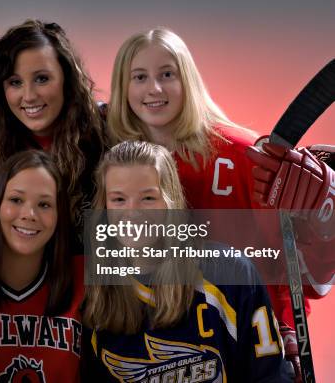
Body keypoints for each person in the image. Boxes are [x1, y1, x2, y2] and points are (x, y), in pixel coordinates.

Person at [105, 27, 316, 377]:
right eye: (139, 77)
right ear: (122, 87)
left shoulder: (244, 153)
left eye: (167, 74)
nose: (154, 89)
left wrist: (288, 325)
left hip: (243, 333)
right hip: (165, 342)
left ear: (187, 79)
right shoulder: (118, 162)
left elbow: (283, 253)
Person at [82, 140, 288, 382]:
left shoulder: (229, 273)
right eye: (118, 200)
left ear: (171, 203)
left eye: (148, 198)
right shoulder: (97, 298)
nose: (132, 212)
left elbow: (271, 376)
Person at [0, 19, 106, 237]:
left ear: (66, 79)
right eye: (15, 82)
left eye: (42, 79)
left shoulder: (105, 139)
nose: (30, 96)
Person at [0, 150, 84, 382]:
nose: (29, 214)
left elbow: (163, 258)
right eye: (16, 200)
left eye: (44, 204)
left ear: (59, 215)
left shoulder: (83, 272)